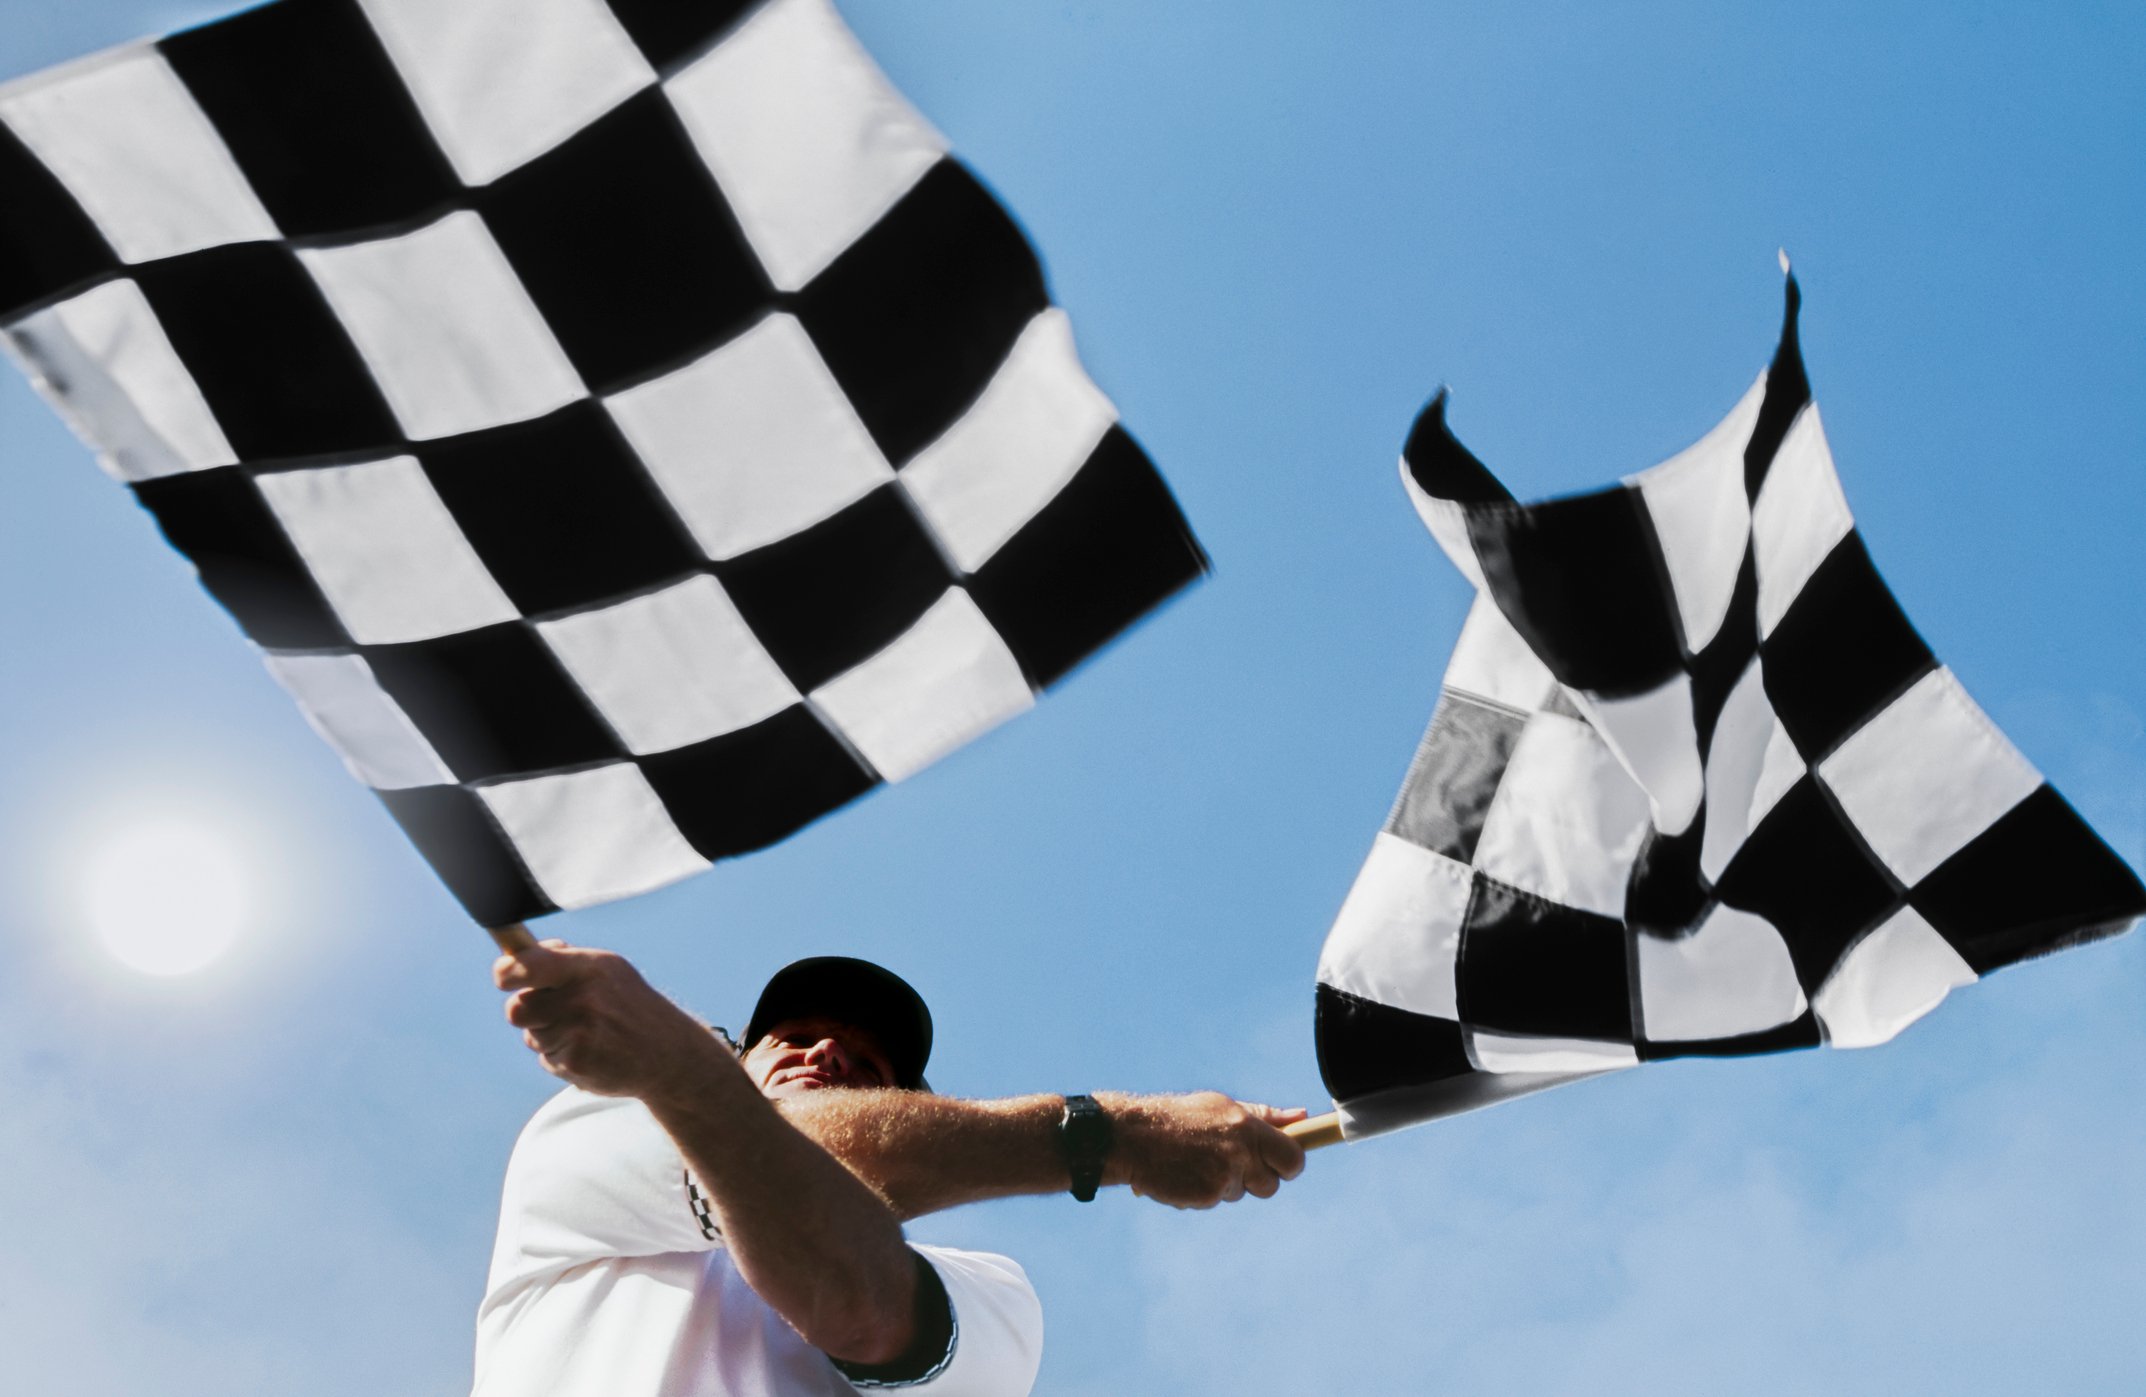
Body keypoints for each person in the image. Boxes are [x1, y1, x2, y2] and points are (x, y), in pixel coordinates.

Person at [471, 940, 1309, 1396]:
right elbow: (795, 1143)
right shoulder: (594, 1123)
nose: (827, 1048)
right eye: (793, 1038)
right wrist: (1114, 1134)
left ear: (911, 1115)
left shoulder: (993, 1296)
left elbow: (856, 1303)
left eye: (870, 1064)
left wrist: (676, 1061)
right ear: (741, 1056)